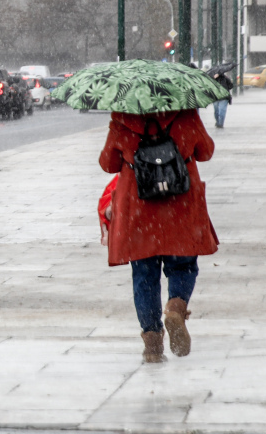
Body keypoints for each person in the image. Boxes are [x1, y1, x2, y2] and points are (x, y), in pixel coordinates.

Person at [98, 109, 217, 363]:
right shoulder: (186, 114)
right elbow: (205, 152)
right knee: (183, 265)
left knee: (144, 275)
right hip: (180, 206)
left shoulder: (122, 118)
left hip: (138, 209)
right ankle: (175, 307)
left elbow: (108, 164)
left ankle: (152, 342)